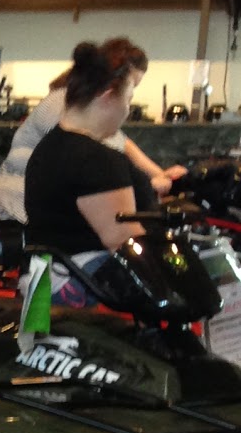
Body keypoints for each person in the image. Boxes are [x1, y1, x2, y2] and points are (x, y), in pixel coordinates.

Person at [21, 39, 169, 299]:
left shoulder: (48, 148)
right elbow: (125, 243)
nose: (127, 110)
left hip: (44, 283)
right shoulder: (97, 160)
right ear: (107, 95)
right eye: (129, 99)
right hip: (83, 290)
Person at [0, 37, 183, 223]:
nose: (127, 105)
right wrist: (150, 183)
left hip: (37, 208)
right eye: (129, 89)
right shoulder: (62, 106)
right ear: (109, 86)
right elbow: (99, 156)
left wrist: (160, 175)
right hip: (10, 205)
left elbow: (121, 144)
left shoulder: (78, 110)